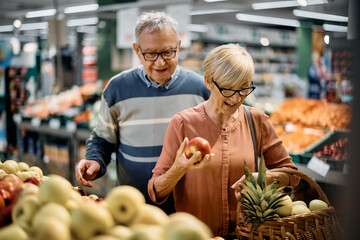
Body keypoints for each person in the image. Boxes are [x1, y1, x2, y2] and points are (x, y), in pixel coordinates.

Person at [148, 44, 299, 238]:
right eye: (228, 89)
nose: (236, 99)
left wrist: (265, 178)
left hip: (246, 235)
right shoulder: (183, 123)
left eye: (244, 89)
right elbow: (156, 191)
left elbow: (292, 175)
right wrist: (178, 168)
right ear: (208, 82)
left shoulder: (257, 120)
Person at [75, 12, 210, 214]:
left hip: (187, 208)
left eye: (167, 52)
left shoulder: (200, 88)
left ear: (179, 47)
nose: (160, 62)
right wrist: (95, 160)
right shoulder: (117, 88)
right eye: (150, 54)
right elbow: (103, 139)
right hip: (132, 206)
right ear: (137, 50)